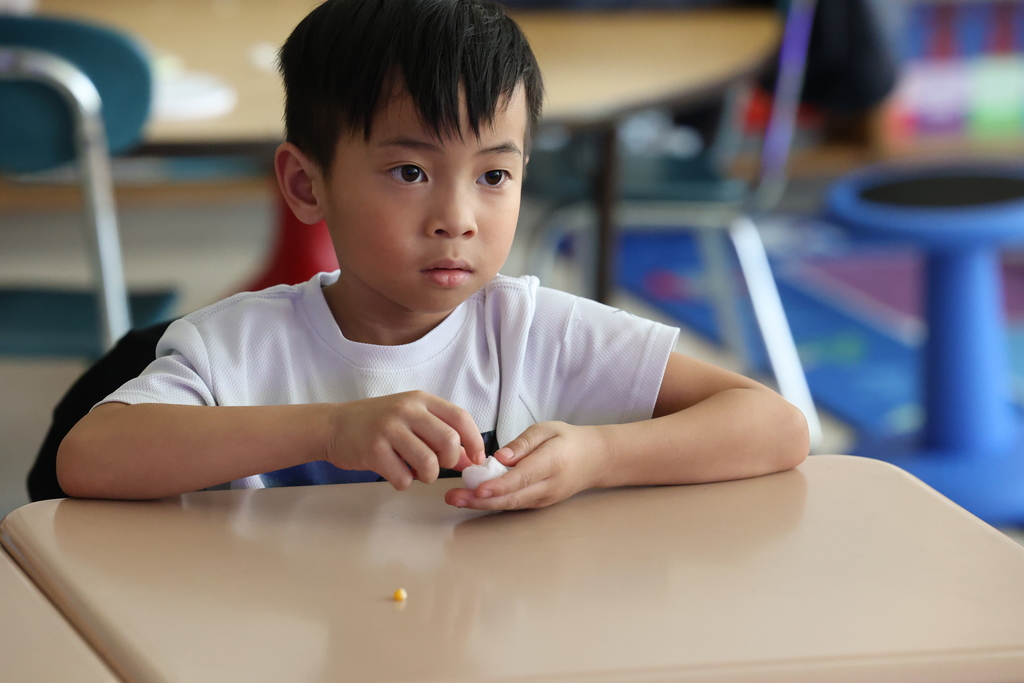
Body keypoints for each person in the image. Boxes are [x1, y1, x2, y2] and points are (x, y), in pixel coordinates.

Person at [56, 0, 809, 510]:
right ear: (305, 183)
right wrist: (325, 429)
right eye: (410, 172)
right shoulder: (237, 346)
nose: (457, 218)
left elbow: (774, 424)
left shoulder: (532, 329)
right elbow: (89, 457)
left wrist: (599, 457)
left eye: (493, 175)